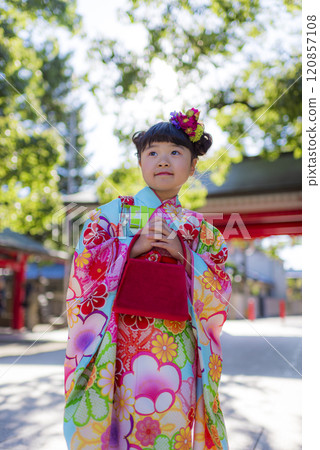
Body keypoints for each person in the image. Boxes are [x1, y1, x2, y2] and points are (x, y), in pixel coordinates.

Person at [63, 108, 232, 449]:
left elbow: (219, 285)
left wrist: (184, 254)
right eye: (152, 152)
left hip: (176, 349)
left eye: (175, 152)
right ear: (140, 163)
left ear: (193, 166)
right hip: (117, 347)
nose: (163, 160)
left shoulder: (201, 229)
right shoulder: (111, 215)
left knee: (170, 424)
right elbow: (85, 268)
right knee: (120, 422)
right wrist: (132, 247)